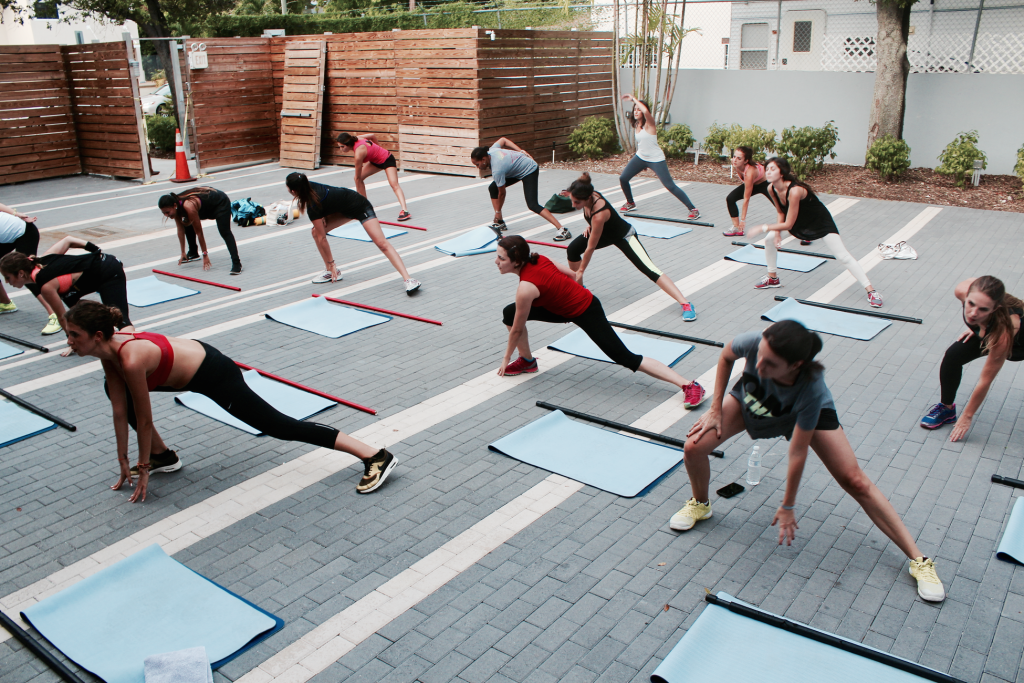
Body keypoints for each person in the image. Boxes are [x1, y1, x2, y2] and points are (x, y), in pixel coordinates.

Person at [672, 320, 945, 602]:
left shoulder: (810, 390)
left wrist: (788, 505)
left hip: (800, 412)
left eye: (770, 363)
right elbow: (727, 356)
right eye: (759, 356)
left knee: (855, 481)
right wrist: (715, 407)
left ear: (795, 365)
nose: (760, 365)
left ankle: (919, 560)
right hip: (756, 398)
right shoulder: (754, 341)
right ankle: (700, 505)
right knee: (693, 447)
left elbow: (797, 452)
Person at [63, 299, 398, 503]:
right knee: (113, 391)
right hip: (187, 367)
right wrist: (124, 459)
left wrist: (143, 468)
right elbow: (120, 411)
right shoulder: (107, 354)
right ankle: (163, 456)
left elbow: (145, 420)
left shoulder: (130, 360)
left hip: (212, 371)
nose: (69, 342)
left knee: (277, 426)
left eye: (74, 335)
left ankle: (375, 455)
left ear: (96, 336)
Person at [495, 235, 707, 407]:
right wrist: (569, 295)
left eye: (501, 258)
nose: (496, 262)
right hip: (564, 309)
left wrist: (506, 358)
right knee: (509, 313)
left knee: (626, 358)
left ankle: (689, 385)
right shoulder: (540, 259)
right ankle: (528, 361)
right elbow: (573, 275)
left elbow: (516, 330)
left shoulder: (525, 289)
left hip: (587, 310)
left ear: (517, 261)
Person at [742, 157, 883, 308]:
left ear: (782, 173)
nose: (768, 172)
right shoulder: (771, 188)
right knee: (769, 239)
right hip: (796, 220)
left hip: (819, 221)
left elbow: (788, 224)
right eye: (767, 169)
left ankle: (871, 291)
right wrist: (776, 233)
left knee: (843, 256)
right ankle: (772, 278)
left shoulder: (795, 190)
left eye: (772, 169)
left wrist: (762, 227)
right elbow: (780, 211)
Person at [565, 173, 698, 322]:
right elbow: (583, 192)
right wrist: (590, 225)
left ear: (588, 198)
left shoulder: (599, 214)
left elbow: (590, 247)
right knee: (573, 250)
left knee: (649, 269)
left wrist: (581, 270)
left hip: (624, 236)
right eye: (573, 201)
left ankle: (686, 303)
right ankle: (581, 292)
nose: (573, 205)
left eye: (577, 202)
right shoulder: (587, 193)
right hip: (605, 233)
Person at [920, 276, 1023, 440]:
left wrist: (967, 416)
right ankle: (947, 409)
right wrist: (979, 326)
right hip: (990, 329)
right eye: (971, 304)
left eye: (983, 310)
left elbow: (985, 380)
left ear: (995, 309)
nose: (973, 313)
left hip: (1018, 343)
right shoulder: (963, 290)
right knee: (953, 356)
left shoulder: (1004, 332)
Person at [285, 172, 421, 293]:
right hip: (343, 210)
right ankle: (331, 272)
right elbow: (329, 204)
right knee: (315, 232)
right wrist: (324, 217)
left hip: (360, 206)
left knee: (382, 243)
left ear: (293, 191)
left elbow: (323, 239)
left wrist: (333, 263)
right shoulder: (309, 189)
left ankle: (409, 280)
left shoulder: (312, 205)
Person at [1, 239, 132, 357]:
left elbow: (62, 317)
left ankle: (134, 351)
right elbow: (68, 240)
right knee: (77, 312)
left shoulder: (46, 286)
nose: (7, 282)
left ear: (21, 273)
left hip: (108, 271)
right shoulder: (42, 259)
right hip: (92, 274)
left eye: (8, 277)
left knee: (121, 321)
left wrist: (72, 343)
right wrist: (94, 249)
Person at [470, 138, 571, 242]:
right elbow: (503, 140)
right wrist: (521, 151)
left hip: (529, 169)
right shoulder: (492, 150)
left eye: (477, 164)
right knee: (492, 188)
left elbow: (502, 193)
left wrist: (498, 211)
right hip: (516, 169)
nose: (478, 167)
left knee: (532, 204)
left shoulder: (497, 169)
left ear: (483, 159)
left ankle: (563, 230)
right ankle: (500, 222)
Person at [618, 95, 699, 221]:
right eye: (634, 109)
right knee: (623, 178)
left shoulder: (650, 124)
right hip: (641, 157)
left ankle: (693, 209)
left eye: (638, 109)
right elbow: (642, 144)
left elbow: (645, 111)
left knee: (670, 186)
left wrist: (633, 99)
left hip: (656, 159)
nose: (636, 111)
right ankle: (630, 203)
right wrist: (641, 164)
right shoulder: (637, 125)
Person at [0, 202, 61, 334]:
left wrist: (15, 214)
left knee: (24, 273)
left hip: (25, 233)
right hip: (6, 236)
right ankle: (5, 304)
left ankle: (55, 314)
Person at [157, 187, 243, 275]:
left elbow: (199, 233)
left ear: (174, 206)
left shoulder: (188, 206)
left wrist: (205, 255)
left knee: (224, 231)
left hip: (220, 203)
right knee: (186, 222)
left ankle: (236, 263)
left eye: (167, 212)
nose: (166, 215)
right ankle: (193, 252)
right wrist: (182, 252)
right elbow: (180, 230)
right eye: (163, 213)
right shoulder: (176, 206)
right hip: (204, 206)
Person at [336, 132, 411, 222]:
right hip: (375, 162)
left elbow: (357, 177)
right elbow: (372, 136)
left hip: (387, 159)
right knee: (358, 179)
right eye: (339, 147)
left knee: (394, 184)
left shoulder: (358, 154)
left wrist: (379, 149)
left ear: (348, 144)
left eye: (342, 147)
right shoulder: (356, 138)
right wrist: (377, 148)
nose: (341, 149)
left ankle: (405, 211)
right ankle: (364, 207)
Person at [721, 146, 773, 238]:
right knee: (730, 198)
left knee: (782, 206)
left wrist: (743, 220)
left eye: (739, 158)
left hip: (766, 183)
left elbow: (746, 199)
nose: (735, 160)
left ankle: (801, 225)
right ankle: (736, 228)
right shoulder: (737, 165)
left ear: (746, 161)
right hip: (753, 183)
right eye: (734, 156)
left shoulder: (750, 172)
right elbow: (743, 180)